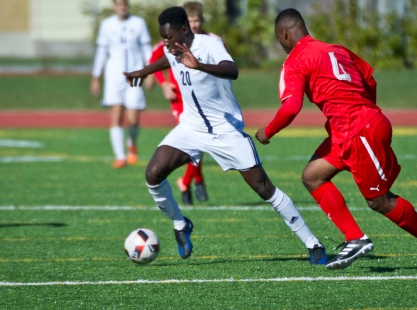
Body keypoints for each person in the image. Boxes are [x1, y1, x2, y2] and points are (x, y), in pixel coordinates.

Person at [123, 6, 327, 265]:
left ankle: (313, 244)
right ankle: (180, 224)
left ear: (185, 30)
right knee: (153, 173)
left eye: (169, 36)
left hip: (225, 131)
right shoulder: (171, 47)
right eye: (162, 37)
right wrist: (143, 72)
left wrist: (199, 66)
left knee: (265, 189)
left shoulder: (210, 45)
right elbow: (167, 58)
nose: (165, 42)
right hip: (191, 128)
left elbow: (232, 70)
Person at [255, 8, 417, 271]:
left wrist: (267, 132)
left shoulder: (296, 60)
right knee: (312, 176)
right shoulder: (336, 49)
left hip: (358, 131)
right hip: (346, 131)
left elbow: (291, 107)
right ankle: (354, 237)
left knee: (379, 200)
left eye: (279, 40)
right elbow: (369, 79)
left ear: (284, 34)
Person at [144, 1, 217, 204]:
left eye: (197, 20)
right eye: (190, 20)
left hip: (204, 100)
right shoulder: (174, 39)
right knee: (198, 140)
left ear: (202, 21)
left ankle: (187, 181)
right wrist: (164, 84)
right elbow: (154, 58)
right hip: (180, 100)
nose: (194, 24)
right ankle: (195, 180)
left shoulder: (210, 40)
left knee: (201, 141)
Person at [90, 0, 152, 169]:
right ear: (114, 6)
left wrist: (150, 72)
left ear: (127, 5)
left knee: (133, 118)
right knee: (116, 115)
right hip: (113, 76)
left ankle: (131, 141)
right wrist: (96, 77)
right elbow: (102, 52)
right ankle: (120, 156)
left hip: (135, 75)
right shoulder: (107, 25)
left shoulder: (138, 24)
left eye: (124, 4)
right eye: (118, 4)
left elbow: (147, 49)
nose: (121, 7)